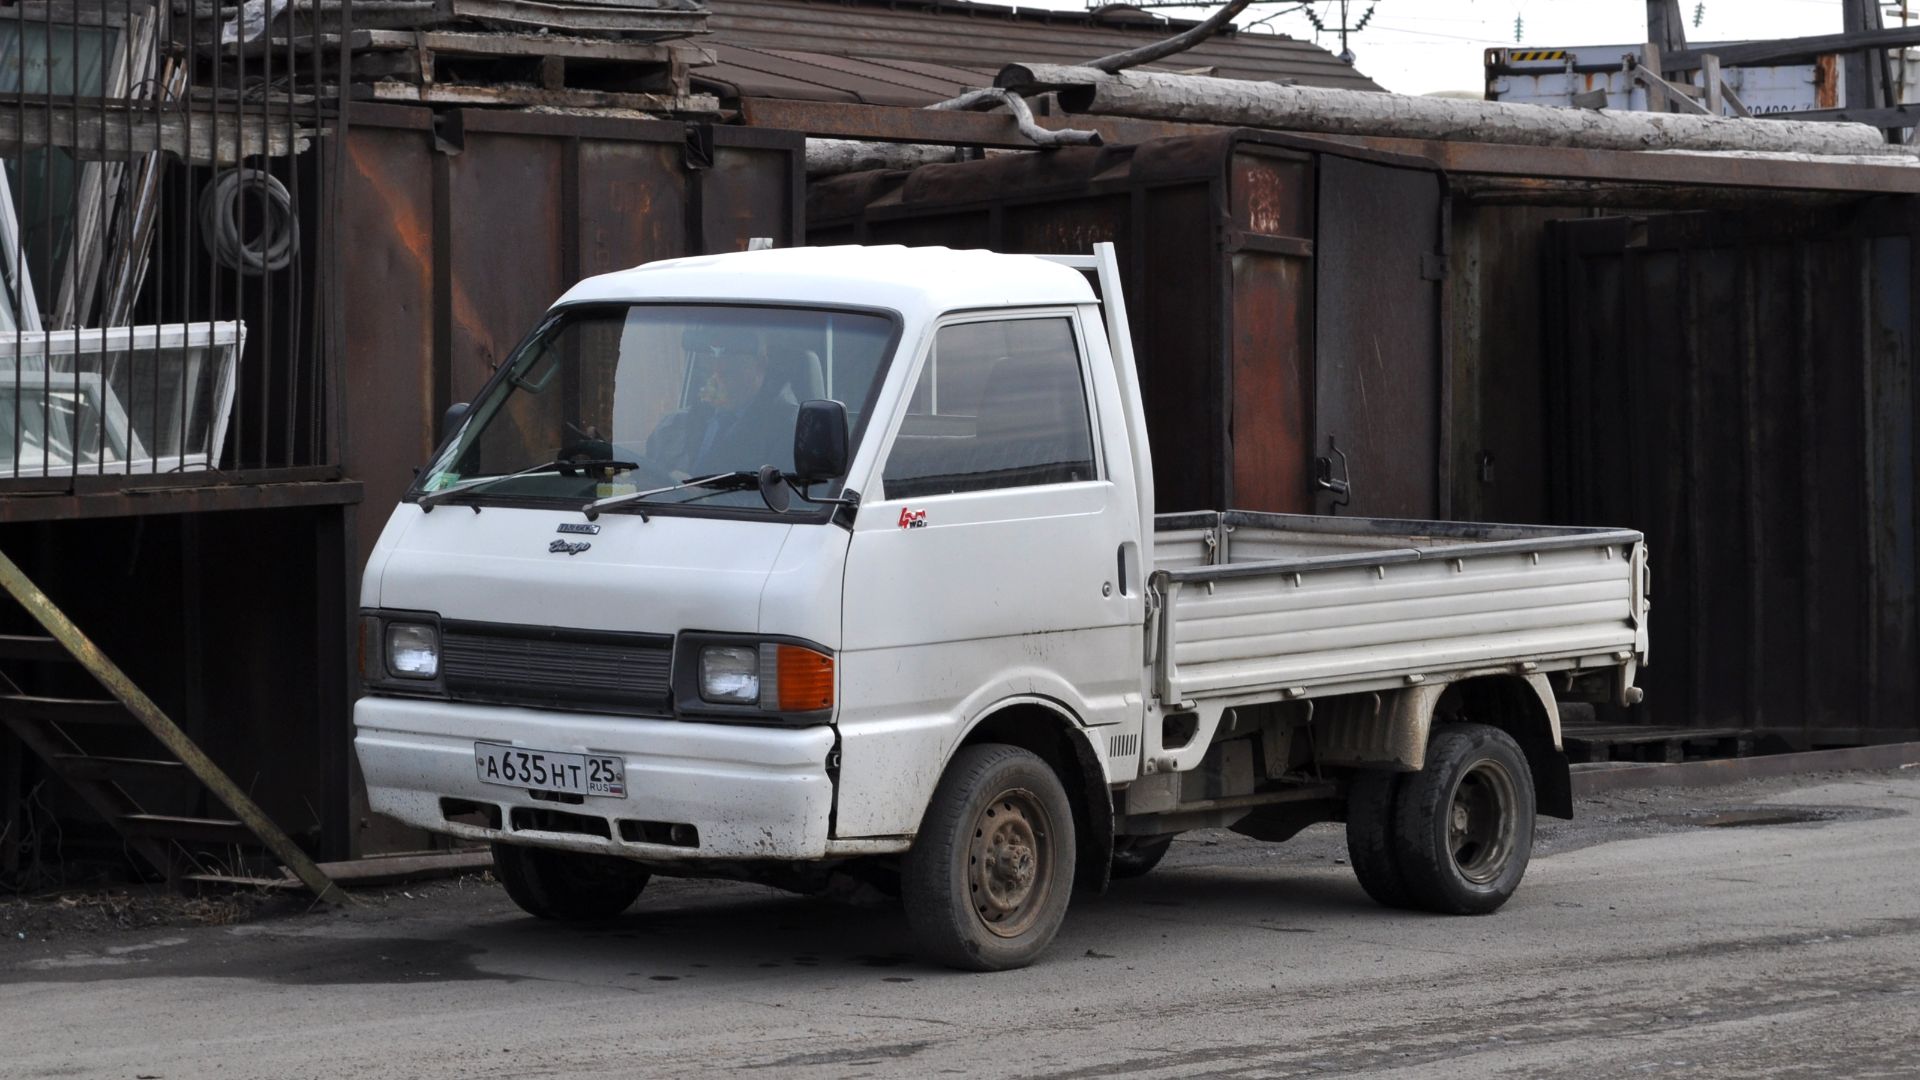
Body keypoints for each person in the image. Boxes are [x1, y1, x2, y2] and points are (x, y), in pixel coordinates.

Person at [648, 329, 797, 476]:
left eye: (733, 358)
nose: (718, 369)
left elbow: (783, 496)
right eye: (711, 356)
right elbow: (646, 483)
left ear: (760, 365)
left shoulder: (789, 435)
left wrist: (701, 495)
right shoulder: (672, 426)